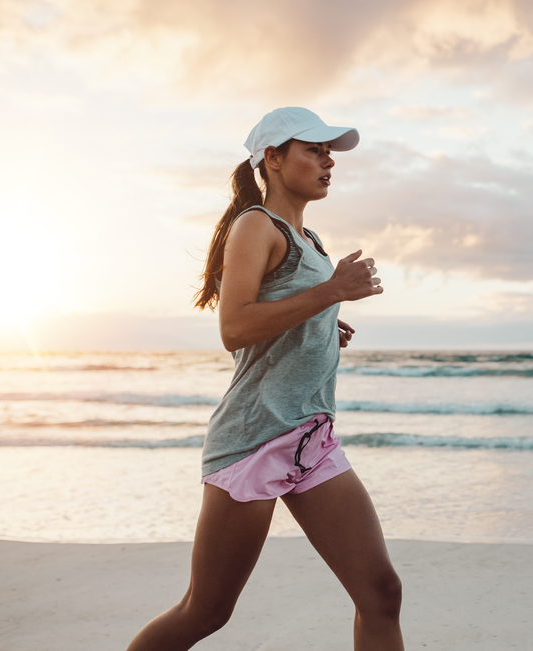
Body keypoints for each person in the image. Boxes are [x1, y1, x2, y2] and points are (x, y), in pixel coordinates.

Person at [126, 107, 404, 651]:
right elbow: (233, 327)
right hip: (254, 440)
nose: (328, 162)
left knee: (381, 592)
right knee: (205, 611)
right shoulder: (255, 225)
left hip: (310, 439)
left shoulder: (312, 238)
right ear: (272, 159)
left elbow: (280, 309)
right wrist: (328, 294)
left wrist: (324, 322)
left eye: (330, 153)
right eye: (314, 150)